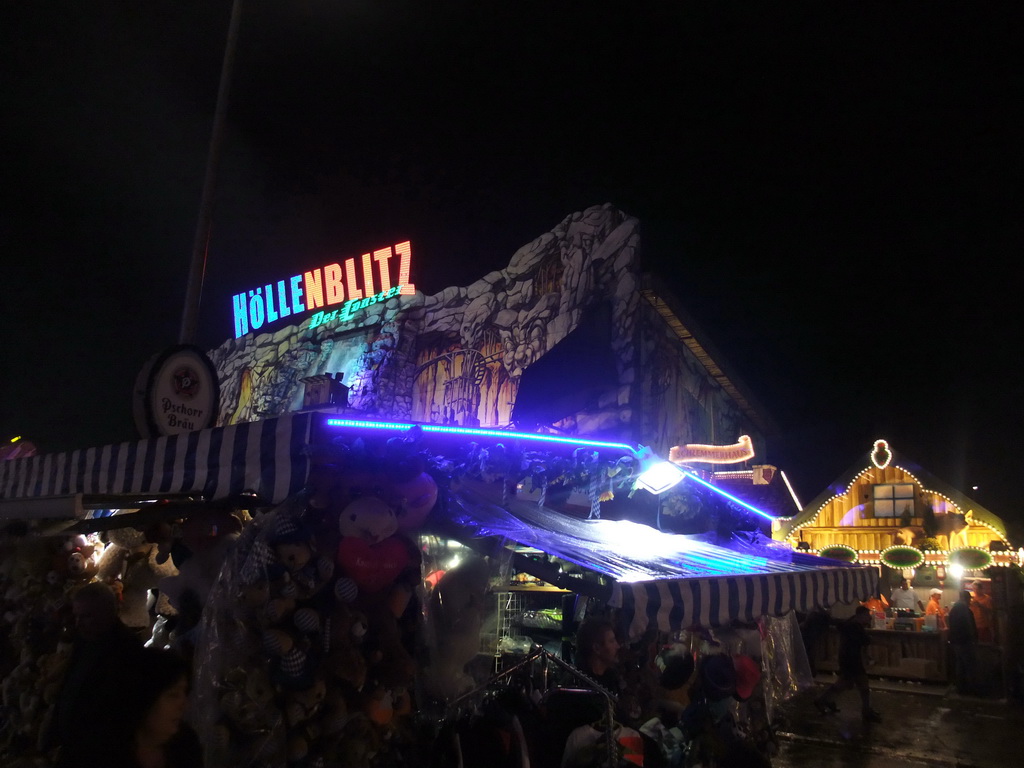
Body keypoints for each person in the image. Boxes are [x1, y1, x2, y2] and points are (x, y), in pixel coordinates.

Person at [41, 581, 144, 768]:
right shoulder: (85, 639)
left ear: (108, 612)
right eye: (77, 616)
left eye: (87, 616)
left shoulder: (127, 650)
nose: (78, 623)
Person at [110, 648, 203, 768]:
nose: (184, 705)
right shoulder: (106, 751)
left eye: (184, 693)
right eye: (173, 695)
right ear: (145, 698)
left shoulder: (186, 744)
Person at [814, 606, 882, 723]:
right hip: (853, 660)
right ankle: (866, 711)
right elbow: (864, 641)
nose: (869, 618)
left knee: (844, 683)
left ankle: (824, 700)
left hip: (847, 659)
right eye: (867, 615)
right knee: (862, 684)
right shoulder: (855, 627)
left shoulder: (850, 624)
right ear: (861, 615)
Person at [574, 616, 623, 693]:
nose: (618, 646)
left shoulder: (612, 679)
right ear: (596, 648)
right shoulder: (577, 686)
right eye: (612, 641)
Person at [947, 590, 978, 696]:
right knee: (969, 665)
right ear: (966, 598)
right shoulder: (965, 610)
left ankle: (961, 688)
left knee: (960, 664)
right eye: (969, 599)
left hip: (955, 641)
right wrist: (974, 639)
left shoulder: (954, 609)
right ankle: (971, 689)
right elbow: (970, 626)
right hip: (965, 641)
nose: (970, 601)